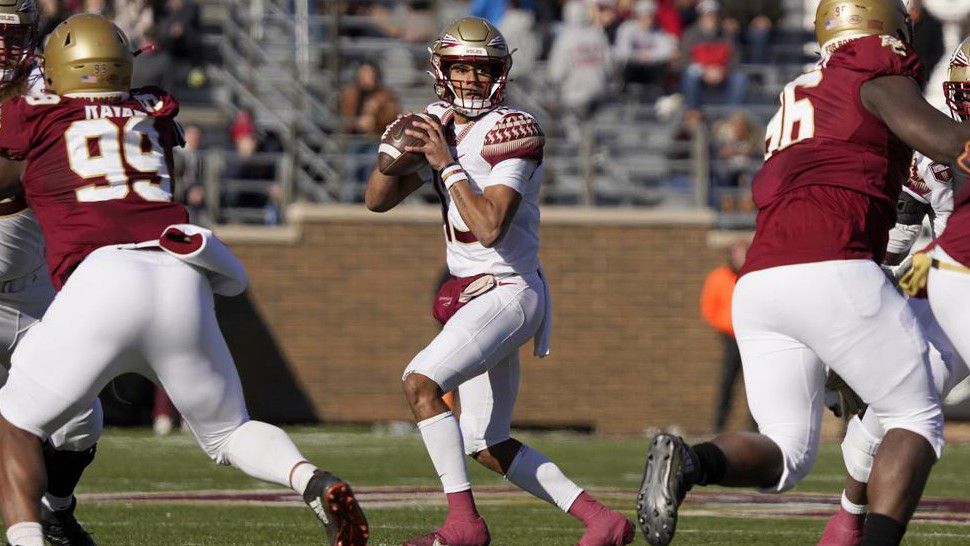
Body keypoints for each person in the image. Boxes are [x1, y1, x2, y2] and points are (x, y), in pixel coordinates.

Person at [0, 14, 368, 546]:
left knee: (15, 423)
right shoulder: (152, 109)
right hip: (179, 272)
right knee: (229, 432)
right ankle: (313, 479)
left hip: (102, 279)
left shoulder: (36, 114)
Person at [636, 2, 970, 545]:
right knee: (914, 415)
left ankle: (690, 464)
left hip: (763, 281)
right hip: (831, 264)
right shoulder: (872, 66)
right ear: (884, 28)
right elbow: (938, 138)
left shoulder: (802, 89)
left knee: (786, 452)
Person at [366, 16, 634, 546]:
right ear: (441, 71)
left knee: (420, 383)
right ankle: (603, 521)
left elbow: (489, 225)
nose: (468, 80)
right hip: (474, 294)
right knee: (483, 441)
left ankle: (463, 526)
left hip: (509, 289)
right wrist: (396, 150)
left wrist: (443, 162)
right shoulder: (439, 121)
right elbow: (376, 200)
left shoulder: (513, 129)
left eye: (480, 69)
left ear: (500, 73)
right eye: (459, 68)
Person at [818, 37, 970, 546]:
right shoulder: (932, 153)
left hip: (943, 270)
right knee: (898, 399)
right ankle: (848, 518)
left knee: (902, 400)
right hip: (942, 268)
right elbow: (893, 243)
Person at [0, 3, 102, 544]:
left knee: (82, 417)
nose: (1, 47)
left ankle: (57, 512)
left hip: (29, 292)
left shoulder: (55, 84)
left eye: (10, 34)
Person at [699, 241, 754, 433]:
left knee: (755, 384)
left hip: (752, 338)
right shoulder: (719, 277)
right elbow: (709, 309)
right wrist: (729, 327)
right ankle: (719, 426)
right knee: (727, 382)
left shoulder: (754, 277)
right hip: (731, 338)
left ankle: (755, 428)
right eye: (739, 253)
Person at [679, 0, 747, 109]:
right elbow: (684, 60)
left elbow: (735, 59)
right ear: (700, 16)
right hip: (700, 73)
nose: (710, 18)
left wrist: (722, 70)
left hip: (722, 73)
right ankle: (693, 113)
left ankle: (731, 116)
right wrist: (704, 72)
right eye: (707, 15)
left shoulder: (727, 34)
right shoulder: (690, 34)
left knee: (740, 78)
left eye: (713, 14)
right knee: (690, 76)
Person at [614, 0, 678, 88]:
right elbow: (622, 52)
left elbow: (666, 52)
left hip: (650, 67)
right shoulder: (626, 28)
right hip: (632, 67)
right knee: (625, 66)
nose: (647, 19)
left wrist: (649, 55)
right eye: (643, 15)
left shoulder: (658, 31)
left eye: (650, 16)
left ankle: (659, 92)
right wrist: (640, 56)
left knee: (662, 67)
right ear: (637, 15)